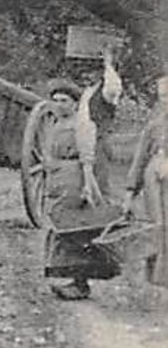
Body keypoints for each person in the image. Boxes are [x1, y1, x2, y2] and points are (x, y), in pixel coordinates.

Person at [39, 79, 115, 300]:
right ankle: (64, 277)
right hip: (56, 179)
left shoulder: (82, 125)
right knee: (56, 226)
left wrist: (88, 185)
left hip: (74, 179)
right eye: (55, 101)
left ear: (74, 104)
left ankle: (78, 283)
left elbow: (87, 159)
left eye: (64, 101)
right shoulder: (54, 124)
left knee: (73, 230)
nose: (59, 105)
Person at [124, 73, 168, 288]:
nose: (166, 100)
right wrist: (131, 190)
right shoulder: (154, 124)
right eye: (163, 97)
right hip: (154, 177)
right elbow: (140, 156)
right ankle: (159, 278)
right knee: (156, 223)